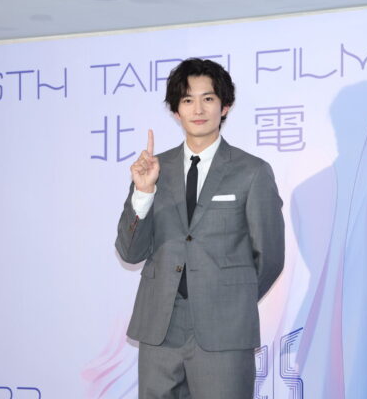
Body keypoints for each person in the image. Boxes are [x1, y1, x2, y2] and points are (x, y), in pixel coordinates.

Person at [115, 58, 285, 399]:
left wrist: (230, 300)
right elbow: (130, 252)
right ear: (175, 110)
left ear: (225, 106)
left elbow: (269, 257)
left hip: (224, 329)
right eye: (187, 99)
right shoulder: (153, 170)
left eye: (208, 98)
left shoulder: (251, 171)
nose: (198, 109)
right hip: (160, 328)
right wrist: (143, 193)